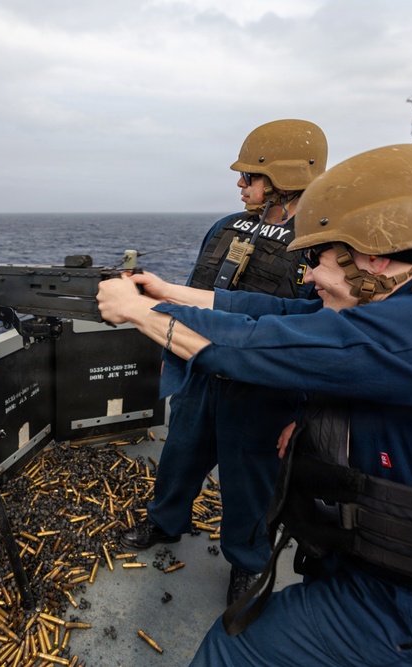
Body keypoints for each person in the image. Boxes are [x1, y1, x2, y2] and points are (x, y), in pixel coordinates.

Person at [97, 143, 412, 666]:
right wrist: (172, 293)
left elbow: (254, 347)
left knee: (233, 653)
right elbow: (285, 314)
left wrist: (139, 312)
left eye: (316, 261)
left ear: (375, 257)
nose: (311, 278)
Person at [118, 119, 327, 606]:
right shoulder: (224, 228)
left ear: (283, 182)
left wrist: (304, 413)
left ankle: (247, 562)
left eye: (250, 177)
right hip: (204, 372)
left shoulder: (316, 244)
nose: (240, 184)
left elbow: (319, 331)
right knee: (179, 456)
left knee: (248, 480)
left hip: (264, 388)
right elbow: (199, 291)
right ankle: (165, 523)